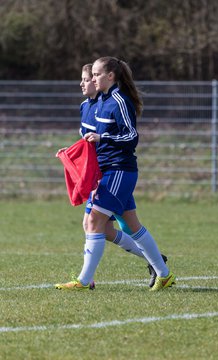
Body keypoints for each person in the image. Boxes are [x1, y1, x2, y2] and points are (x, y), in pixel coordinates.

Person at [55, 57, 175, 292]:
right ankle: (163, 272)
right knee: (128, 226)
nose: (90, 80)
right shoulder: (98, 102)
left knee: (94, 222)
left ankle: (84, 280)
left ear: (110, 76)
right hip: (105, 171)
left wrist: (104, 138)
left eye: (95, 75)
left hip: (119, 169)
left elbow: (132, 137)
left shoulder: (119, 100)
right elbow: (91, 141)